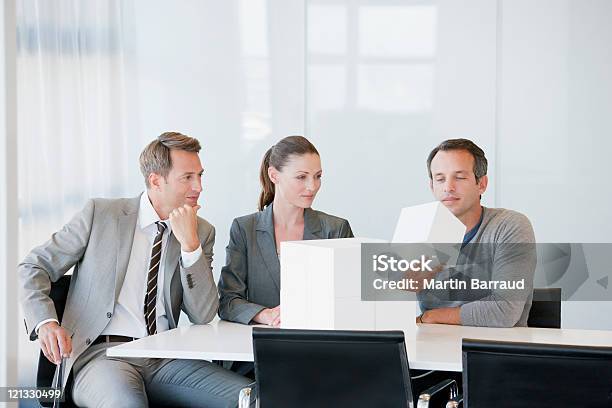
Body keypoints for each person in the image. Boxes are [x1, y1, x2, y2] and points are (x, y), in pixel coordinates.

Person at [18, 132, 251, 407]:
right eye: (187, 177)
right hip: (102, 357)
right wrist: (46, 323)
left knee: (253, 397)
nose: (198, 186)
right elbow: (33, 267)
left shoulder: (200, 231)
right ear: (155, 180)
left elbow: (202, 314)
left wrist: (190, 246)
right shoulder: (101, 214)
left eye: (200, 175)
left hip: (165, 356)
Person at [218, 135, 354, 327]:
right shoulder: (244, 229)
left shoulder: (335, 229)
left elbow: (352, 300)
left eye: (318, 176)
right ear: (274, 175)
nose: (312, 186)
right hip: (260, 348)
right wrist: (264, 315)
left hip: (321, 345)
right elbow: (228, 300)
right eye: (301, 177)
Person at [416, 138, 536, 327]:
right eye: (440, 179)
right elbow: (386, 307)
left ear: (481, 184)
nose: (448, 187)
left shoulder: (509, 226)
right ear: (432, 187)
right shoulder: (420, 230)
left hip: (494, 350)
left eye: (460, 177)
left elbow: (504, 310)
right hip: (430, 349)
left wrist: (430, 317)